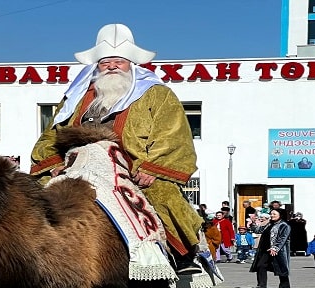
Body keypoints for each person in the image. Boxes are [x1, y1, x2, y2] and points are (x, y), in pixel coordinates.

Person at [30, 24, 204, 274]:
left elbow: (173, 134)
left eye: (118, 61)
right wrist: (53, 163)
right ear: (97, 66)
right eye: (105, 62)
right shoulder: (77, 98)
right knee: (31, 195)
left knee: (162, 194)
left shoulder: (157, 95)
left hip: (131, 165)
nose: (111, 66)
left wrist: (153, 168)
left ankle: (183, 256)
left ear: (131, 64)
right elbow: (51, 134)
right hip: (78, 163)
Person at [248, 208, 291, 288]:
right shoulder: (269, 224)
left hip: (277, 251)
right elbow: (258, 230)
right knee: (260, 265)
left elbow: (283, 238)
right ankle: (261, 285)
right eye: (271, 214)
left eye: (274, 214)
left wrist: (275, 248)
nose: (272, 215)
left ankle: (285, 287)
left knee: (281, 268)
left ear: (280, 215)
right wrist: (253, 223)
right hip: (265, 250)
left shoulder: (284, 225)